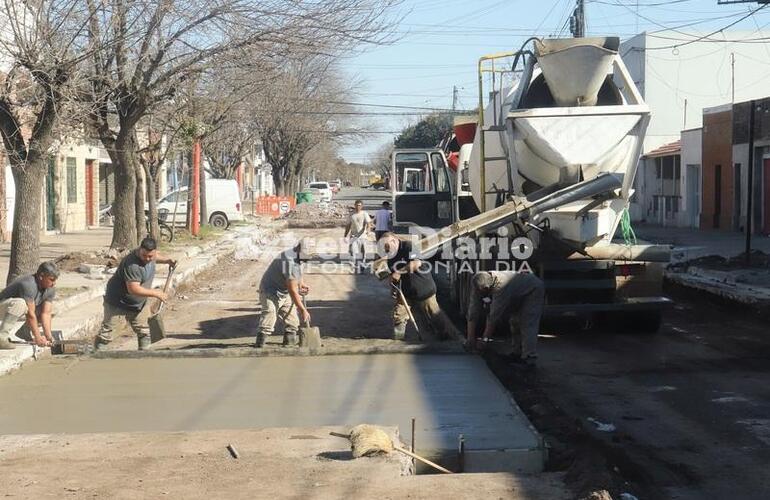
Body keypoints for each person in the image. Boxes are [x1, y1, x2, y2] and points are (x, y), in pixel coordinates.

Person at [94, 237, 176, 351]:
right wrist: (156, 293)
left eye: (150, 256)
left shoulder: (151, 256)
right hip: (118, 303)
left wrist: (167, 260)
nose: (147, 259)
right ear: (139, 250)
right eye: (144, 255)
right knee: (107, 335)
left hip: (138, 304)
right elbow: (133, 289)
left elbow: (155, 257)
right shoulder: (132, 265)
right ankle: (96, 358)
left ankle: (144, 358)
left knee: (145, 331)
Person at [380, 232, 460, 341]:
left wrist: (398, 272)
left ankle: (447, 338)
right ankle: (398, 339)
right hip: (406, 291)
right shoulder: (391, 256)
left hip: (422, 287)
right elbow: (394, 275)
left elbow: (415, 264)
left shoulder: (408, 246)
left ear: (394, 241)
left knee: (434, 315)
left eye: (387, 246)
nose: (386, 249)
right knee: (399, 314)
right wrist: (393, 286)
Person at [466, 271, 545, 367]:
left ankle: (529, 358)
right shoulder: (476, 281)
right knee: (514, 323)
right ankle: (517, 353)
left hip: (532, 290)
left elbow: (493, 317)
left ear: (488, 288)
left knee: (527, 323)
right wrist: (470, 338)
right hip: (517, 293)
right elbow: (473, 309)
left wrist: (484, 340)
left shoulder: (501, 285)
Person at [256, 242, 310, 348]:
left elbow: (298, 271)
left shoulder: (297, 256)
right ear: (297, 250)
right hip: (270, 291)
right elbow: (292, 291)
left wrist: (301, 283)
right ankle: (259, 345)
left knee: (293, 321)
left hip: (283, 291)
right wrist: (303, 309)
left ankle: (289, 344)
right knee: (269, 316)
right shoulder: (289, 262)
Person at [0, 262, 59, 349]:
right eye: (51, 279)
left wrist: (49, 337)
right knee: (20, 304)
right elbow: (30, 314)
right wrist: (38, 338)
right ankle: (2, 337)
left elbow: (46, 313)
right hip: (4, 307)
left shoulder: (50, 289)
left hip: (16, 311)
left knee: (53, 309)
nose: (54, 283)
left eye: (55, 280)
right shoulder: (28, 284)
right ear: (41, 276)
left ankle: (24, 331)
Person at [344, 199, 372, 271]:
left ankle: (362, 264)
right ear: (354, 205)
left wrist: (368, 231)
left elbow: (368, 223)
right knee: (352, 251)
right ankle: (352, 266)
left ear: (362, 206)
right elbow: (348, 225)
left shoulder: (364, 214)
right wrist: (345, 235)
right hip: (353, 236)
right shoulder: (351, 214)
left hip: (362, 236)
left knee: (363, 251)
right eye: (356, 205)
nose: (357, 207)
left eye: (359, 205)